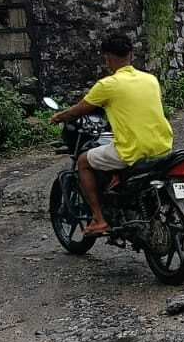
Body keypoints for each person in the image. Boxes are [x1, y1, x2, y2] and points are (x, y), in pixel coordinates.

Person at [49, 32, 173, 236]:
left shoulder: (107, 85)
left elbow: (80, 109)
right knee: (111, 154)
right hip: (162, 146)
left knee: (83, 161)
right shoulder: (150, 80)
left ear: (107, 58)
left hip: (133, 150)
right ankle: (116, 182)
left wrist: (59, 117)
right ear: (131, 55)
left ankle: (99, 219)